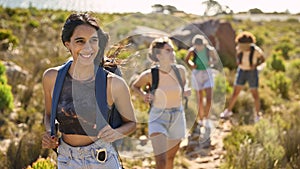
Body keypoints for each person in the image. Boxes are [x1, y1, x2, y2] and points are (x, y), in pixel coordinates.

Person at [41, 13, 136, 169]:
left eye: (93, 41)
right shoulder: (51, 78)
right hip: (66, 160)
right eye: (80, 41)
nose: (88, 47)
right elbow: (49, 115)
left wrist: (116, 133)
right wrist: (50, 133)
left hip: (102, 159)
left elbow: (131, 124)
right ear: (67, 44)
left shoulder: (113, 84)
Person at [131, 37, 190, 169]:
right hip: (158, 117)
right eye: (168, 50)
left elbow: (184, 85)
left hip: (177, 116)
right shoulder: (150, 75)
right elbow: (135, 86)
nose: (173, 53)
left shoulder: (180, 71)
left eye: (173, 50)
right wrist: (144, 95)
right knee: (161, 161)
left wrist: (185, 91)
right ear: (158, 55)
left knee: (170, 158)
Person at [220, 31, 265, 122]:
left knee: (254, 94)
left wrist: (255, 65)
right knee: (235, 92)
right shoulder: (239, 48)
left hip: (252, 72)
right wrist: (238, 61)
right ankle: (228, 111)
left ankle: (257, 115)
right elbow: (237, 55)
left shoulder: (256, 50)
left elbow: (263, 59)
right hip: (241, 71)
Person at [184, 34, 217, 139]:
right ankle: (201, 119)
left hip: (207, 72)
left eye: (200, 46)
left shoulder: (209, 49)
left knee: (209, 98)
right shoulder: (192, 50)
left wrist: (211, 62)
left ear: (204, 44)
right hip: (197, 73)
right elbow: (187, 59)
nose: (199, 48)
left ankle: (206, 119)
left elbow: (215, 60)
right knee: (199, 98)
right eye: (197, 46)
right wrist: (192, 64)